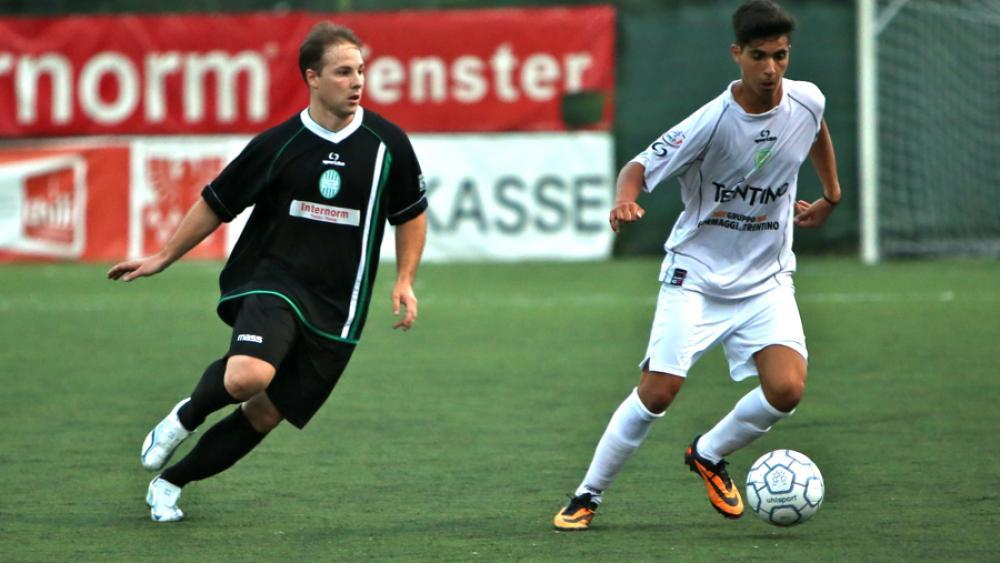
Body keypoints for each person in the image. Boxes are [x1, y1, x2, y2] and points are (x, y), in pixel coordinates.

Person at [108, 22, 428, 523]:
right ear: (313, 78)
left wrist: (405, 278)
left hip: (340, 307)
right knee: (249, 375)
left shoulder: (388, 144)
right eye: (343, 72)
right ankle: (183, 417)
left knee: (264, 412)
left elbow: (410, 213)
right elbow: (218, 202)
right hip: (273, 280)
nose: (357, 81)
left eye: (361, 70)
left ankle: (170, 483)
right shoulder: (280, 143)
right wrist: (164, 256)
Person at [553, 0, 842, 530]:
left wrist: (831, 193)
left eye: (780, 56)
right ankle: (587, 494)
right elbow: (638, 165)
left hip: (766, 281)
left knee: (787, 391)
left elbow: (817, 128)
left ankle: (708, 453)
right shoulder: (710, 123)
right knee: (659, 391)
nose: (771, 69)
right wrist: (625, 200)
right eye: (758, 57)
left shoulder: (807, 100)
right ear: (736, 54)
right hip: (698, 277)